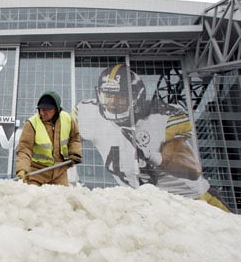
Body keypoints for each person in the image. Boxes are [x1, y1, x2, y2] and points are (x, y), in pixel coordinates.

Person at [74, 63, 232, 213]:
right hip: (146, 204)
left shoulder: (159, 117)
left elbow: (193, 169)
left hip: (193, 200)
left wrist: (155, 157)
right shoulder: (89, 113)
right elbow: (62, 136)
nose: (113, 102)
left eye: (121, 95)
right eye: (108, 94)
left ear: (136, 97)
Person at [16, 90, 82, 186]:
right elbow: (25, 149)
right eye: (41, 109)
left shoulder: (68, 119)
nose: (43, 112)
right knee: (33, 198)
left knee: (62, 199)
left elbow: (74, 138)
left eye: (47, 109)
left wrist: (75, 153)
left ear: (56, 110)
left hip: (59, 172)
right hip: (37, 173)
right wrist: (22, 169)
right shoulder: (31, 124)